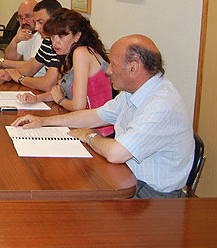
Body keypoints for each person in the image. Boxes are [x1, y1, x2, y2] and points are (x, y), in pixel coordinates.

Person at [12, 35, 194, 198]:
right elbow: (93, 116)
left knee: (71, 201)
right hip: (127, 176)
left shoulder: (161, 105)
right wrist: (43, 122)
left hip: (151, 195)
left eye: (113, 65)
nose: (108, 71)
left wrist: (90, 136)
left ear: (133, 67)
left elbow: (116, 153)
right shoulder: (133, 92)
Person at [17, 8, 114, 136]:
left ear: (77, 36)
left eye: (62, 36)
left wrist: (60, 100)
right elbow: (60, 90)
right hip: (79, 124)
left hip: (98, 131)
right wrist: (36, 98)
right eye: (52, 36)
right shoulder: (67, 53)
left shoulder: (82, 53)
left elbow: (78, 105)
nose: (55, 42)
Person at [0, 0, 62, 90]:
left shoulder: (62, 45)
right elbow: (32, 67)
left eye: (40, 22)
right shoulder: (48, 41)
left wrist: (19, 78)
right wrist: (10, 73)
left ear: (55, 20)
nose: (37, 28)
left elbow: (48, 84)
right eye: (36, 22)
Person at [0, 0, 46, 76]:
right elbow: (10, 59)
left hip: (37, 81)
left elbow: (31, 65)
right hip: (27, 78)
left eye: (28, 17)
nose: (23, 22)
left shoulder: (43, 37)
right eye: (20, 18)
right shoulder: (27, 32)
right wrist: (15, 41)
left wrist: (0, 62)